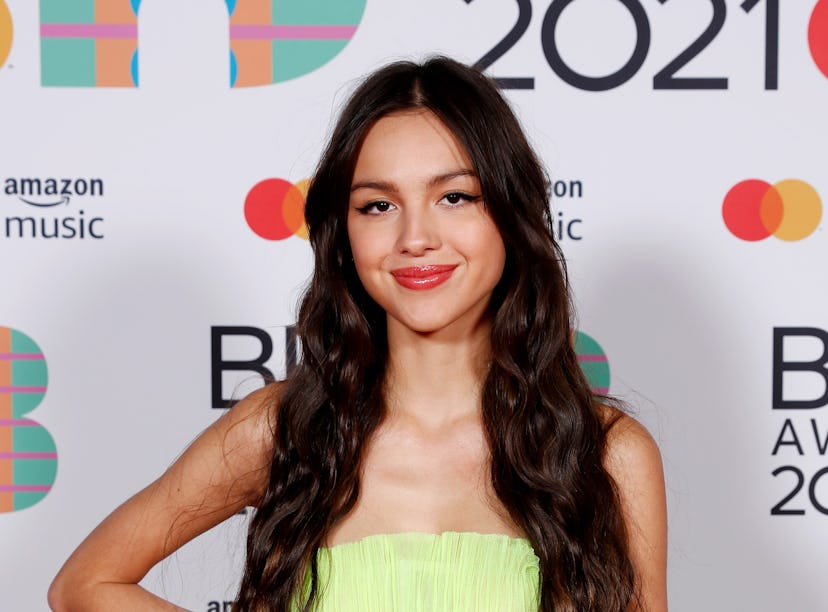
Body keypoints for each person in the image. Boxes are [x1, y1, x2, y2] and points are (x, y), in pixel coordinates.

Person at [48, 56, 667, 611]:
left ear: (511, 212)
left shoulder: (607, 454)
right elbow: (87, 583)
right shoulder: (284, 430)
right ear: (343, 234)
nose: (415, 238)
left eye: (455, 197)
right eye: (378, 205)